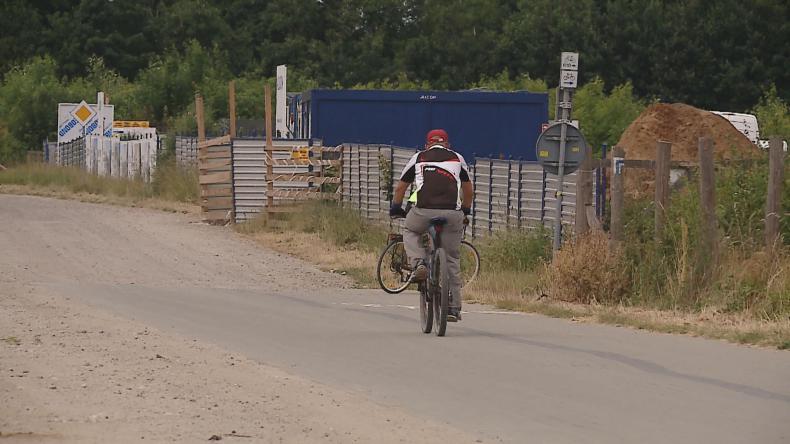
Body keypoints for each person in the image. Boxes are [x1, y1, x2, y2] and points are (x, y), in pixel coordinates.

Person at [389, 129, 473, 322]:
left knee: (410, 230)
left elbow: (401, 187)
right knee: (451, 258)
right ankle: (453, 308)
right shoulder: (457, 158)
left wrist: (396, 208)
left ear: (427, 144)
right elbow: (468, 189)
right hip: (452, 213)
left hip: (423, 211)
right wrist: (466, 211)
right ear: (447, 144)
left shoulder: (419, 157)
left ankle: (418, 262)